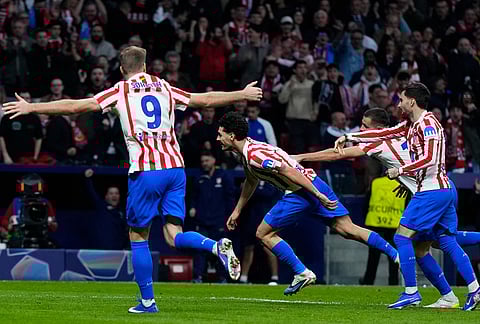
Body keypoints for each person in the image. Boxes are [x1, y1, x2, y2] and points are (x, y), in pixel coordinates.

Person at [2, 46, 263, 314]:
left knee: (138, 235)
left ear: (121, 69)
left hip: (146, 170)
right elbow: (206, 100)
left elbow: (75, 106)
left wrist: (32, 107)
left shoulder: (120, 90)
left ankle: (148, 302)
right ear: (146, 66)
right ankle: (215, 245)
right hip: (176, 169)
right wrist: (241, 94)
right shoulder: (165, 87)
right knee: (174, 235)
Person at [295, 107, 480, 308]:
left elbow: (337, 154)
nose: (361, 129)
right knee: (427, 245)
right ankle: (448, 297)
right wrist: (406, 183)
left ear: (379, 128)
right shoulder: (400, 137)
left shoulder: (379, 143)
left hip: (431, 191)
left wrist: (302, 157)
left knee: (407, 238)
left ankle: (412, 292)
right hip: (441, 186)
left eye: (365, 125)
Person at [217, 111, 398, 296]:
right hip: (313, 183)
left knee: (263, 233)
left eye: (220, 134)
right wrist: (237, 210)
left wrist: (317, 194)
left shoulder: (255, 156)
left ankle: (302, 272)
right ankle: (395, 255)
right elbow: (251, 180)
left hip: (301, 191)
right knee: (347, 229)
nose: (218, 139)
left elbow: (288, 171)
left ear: (231, 136)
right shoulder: (249, 151)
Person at [188, 151, 235, 283]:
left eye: (207, 160)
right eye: (203, 161)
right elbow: (194, 196)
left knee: (222, 249)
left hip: (219, 220)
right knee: (199, 249)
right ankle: (198, 277)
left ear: (214, 160)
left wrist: (230, 217)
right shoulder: (199, 177)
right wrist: (192, 207)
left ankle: (223, 277)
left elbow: (230, 198)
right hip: (202, 220)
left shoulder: (224, 176)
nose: (204, 164)